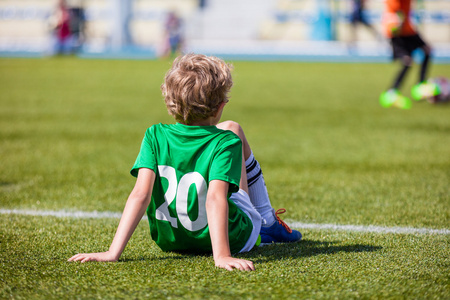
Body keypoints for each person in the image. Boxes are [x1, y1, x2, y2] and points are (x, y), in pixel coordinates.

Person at [69, 54, 302, 271]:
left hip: (171, 240)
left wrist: (112, 252)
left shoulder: (154, 135)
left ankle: (267, 222)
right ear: (221, 106)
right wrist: (221, 256)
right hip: (235, 237)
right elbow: (215, 198)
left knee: (229, 131)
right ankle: (267, 221)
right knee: (234, 129)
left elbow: (140, 195)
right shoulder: (226, 142)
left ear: (170, 101)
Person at [379, 0, 438, 109]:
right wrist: (395, 25)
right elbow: (396, 12)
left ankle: (421, 85)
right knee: (407, 61)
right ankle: (391, 93)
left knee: (427, 50)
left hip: (408, 30)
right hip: (397, 32)